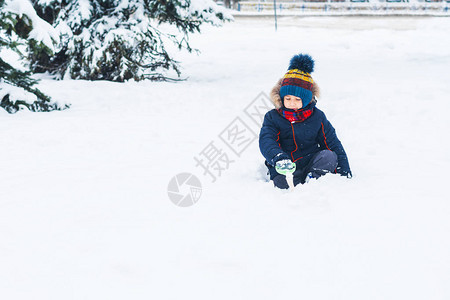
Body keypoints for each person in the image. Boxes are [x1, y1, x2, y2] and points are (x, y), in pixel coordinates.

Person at [259, 53, 352, 189]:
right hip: (286, 165)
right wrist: (278, 157)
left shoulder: (317, 117)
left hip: (311, 161)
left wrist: (344, 170)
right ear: (281, 97)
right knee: (281, 183)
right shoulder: (272, 117)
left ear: (307, 99)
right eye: (288, 98)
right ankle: (295, 184)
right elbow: (267, 140)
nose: (292, 103)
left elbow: (332, 143)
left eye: (298, 100)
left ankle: (313, 180)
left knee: (329, 156)